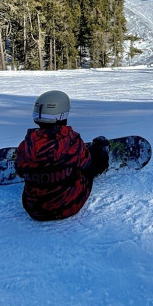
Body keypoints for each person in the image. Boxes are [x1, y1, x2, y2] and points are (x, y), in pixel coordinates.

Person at [15, 90, 110, 221]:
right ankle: (102, 151)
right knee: (91, 164)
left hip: (34, 209)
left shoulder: (26, 145)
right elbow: (87, 164)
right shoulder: (72, 140)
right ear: (63, 115)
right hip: (68, 206)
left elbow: (19, 170)